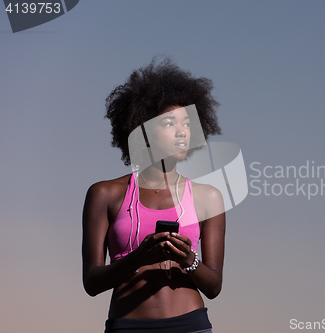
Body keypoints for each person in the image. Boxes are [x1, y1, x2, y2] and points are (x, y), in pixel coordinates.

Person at [82, 57, 225, 333]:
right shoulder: (104, 194)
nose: (183, 131)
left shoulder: (209, 198)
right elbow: (91, 282)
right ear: (143, 130)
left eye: (187, 123)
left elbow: (214, 286)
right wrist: (138, 257)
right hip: (126, 327)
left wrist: (188, 260)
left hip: (191, 326)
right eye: (170, 123)